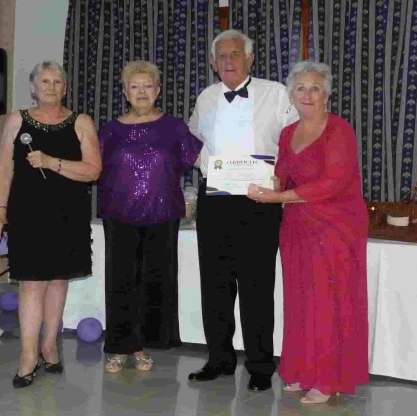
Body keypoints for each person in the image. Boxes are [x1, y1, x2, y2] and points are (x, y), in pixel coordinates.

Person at [247, 61, 369, 403]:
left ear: (327, 94)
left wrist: (277, 196)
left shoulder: (339, 130)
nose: (307, 94)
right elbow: (281, 175)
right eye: (300, 88)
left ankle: (328, 379)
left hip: (335, 226)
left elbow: (332, 183)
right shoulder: (288, 133)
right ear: (291, 94)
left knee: (328, 302)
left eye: (315, 88)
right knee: (300, 301)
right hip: (297, 227)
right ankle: (302, 371)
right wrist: (254, 184)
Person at [187, 29, 297, 392]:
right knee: (215, 285)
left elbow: (295, 142)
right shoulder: (205, 98)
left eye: (236, 54)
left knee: (256, 285)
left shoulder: (276, 93)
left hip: (259, 201)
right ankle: (219, 358)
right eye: (222, 56)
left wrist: (282, 180)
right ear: (213, 63)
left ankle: (261, 365)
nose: (229, 61)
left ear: (251, 59)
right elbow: (194, 146)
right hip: (215, 199)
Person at [0, 60, 101, 388]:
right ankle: (27, 356)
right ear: (33, 87)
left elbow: (93, 170)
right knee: (32, 283)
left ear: (64, 88)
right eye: (45, 81)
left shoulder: (81, 121)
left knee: (57, 281)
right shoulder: (16, 120)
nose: (51, 87)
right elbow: (2, 169)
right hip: (28, 213)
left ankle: (50, 345)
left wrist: (52, 162)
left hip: (70, 214)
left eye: (57, 82)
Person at [98, 61, 202, 373]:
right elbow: (91, 165)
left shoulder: (173, 127)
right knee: (121, 283)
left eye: (148, 86)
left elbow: (199, 160)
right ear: (126, 92)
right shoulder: (110, 130)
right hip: (119, 215)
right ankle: (119, 347)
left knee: (153, 283)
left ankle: (143, 345)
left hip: (162, 214)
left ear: (157, 91)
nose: (141, 92)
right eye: (134, 86)